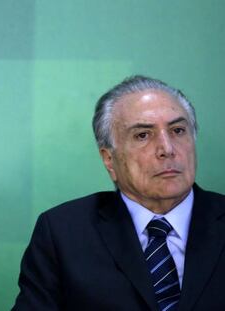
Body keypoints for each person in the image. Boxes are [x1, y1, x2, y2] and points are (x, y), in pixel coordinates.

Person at [12, 75, 225, 310]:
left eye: (177, 130)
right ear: (109, 160)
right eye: (143, 135)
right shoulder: (63, 233)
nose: (167, 149)